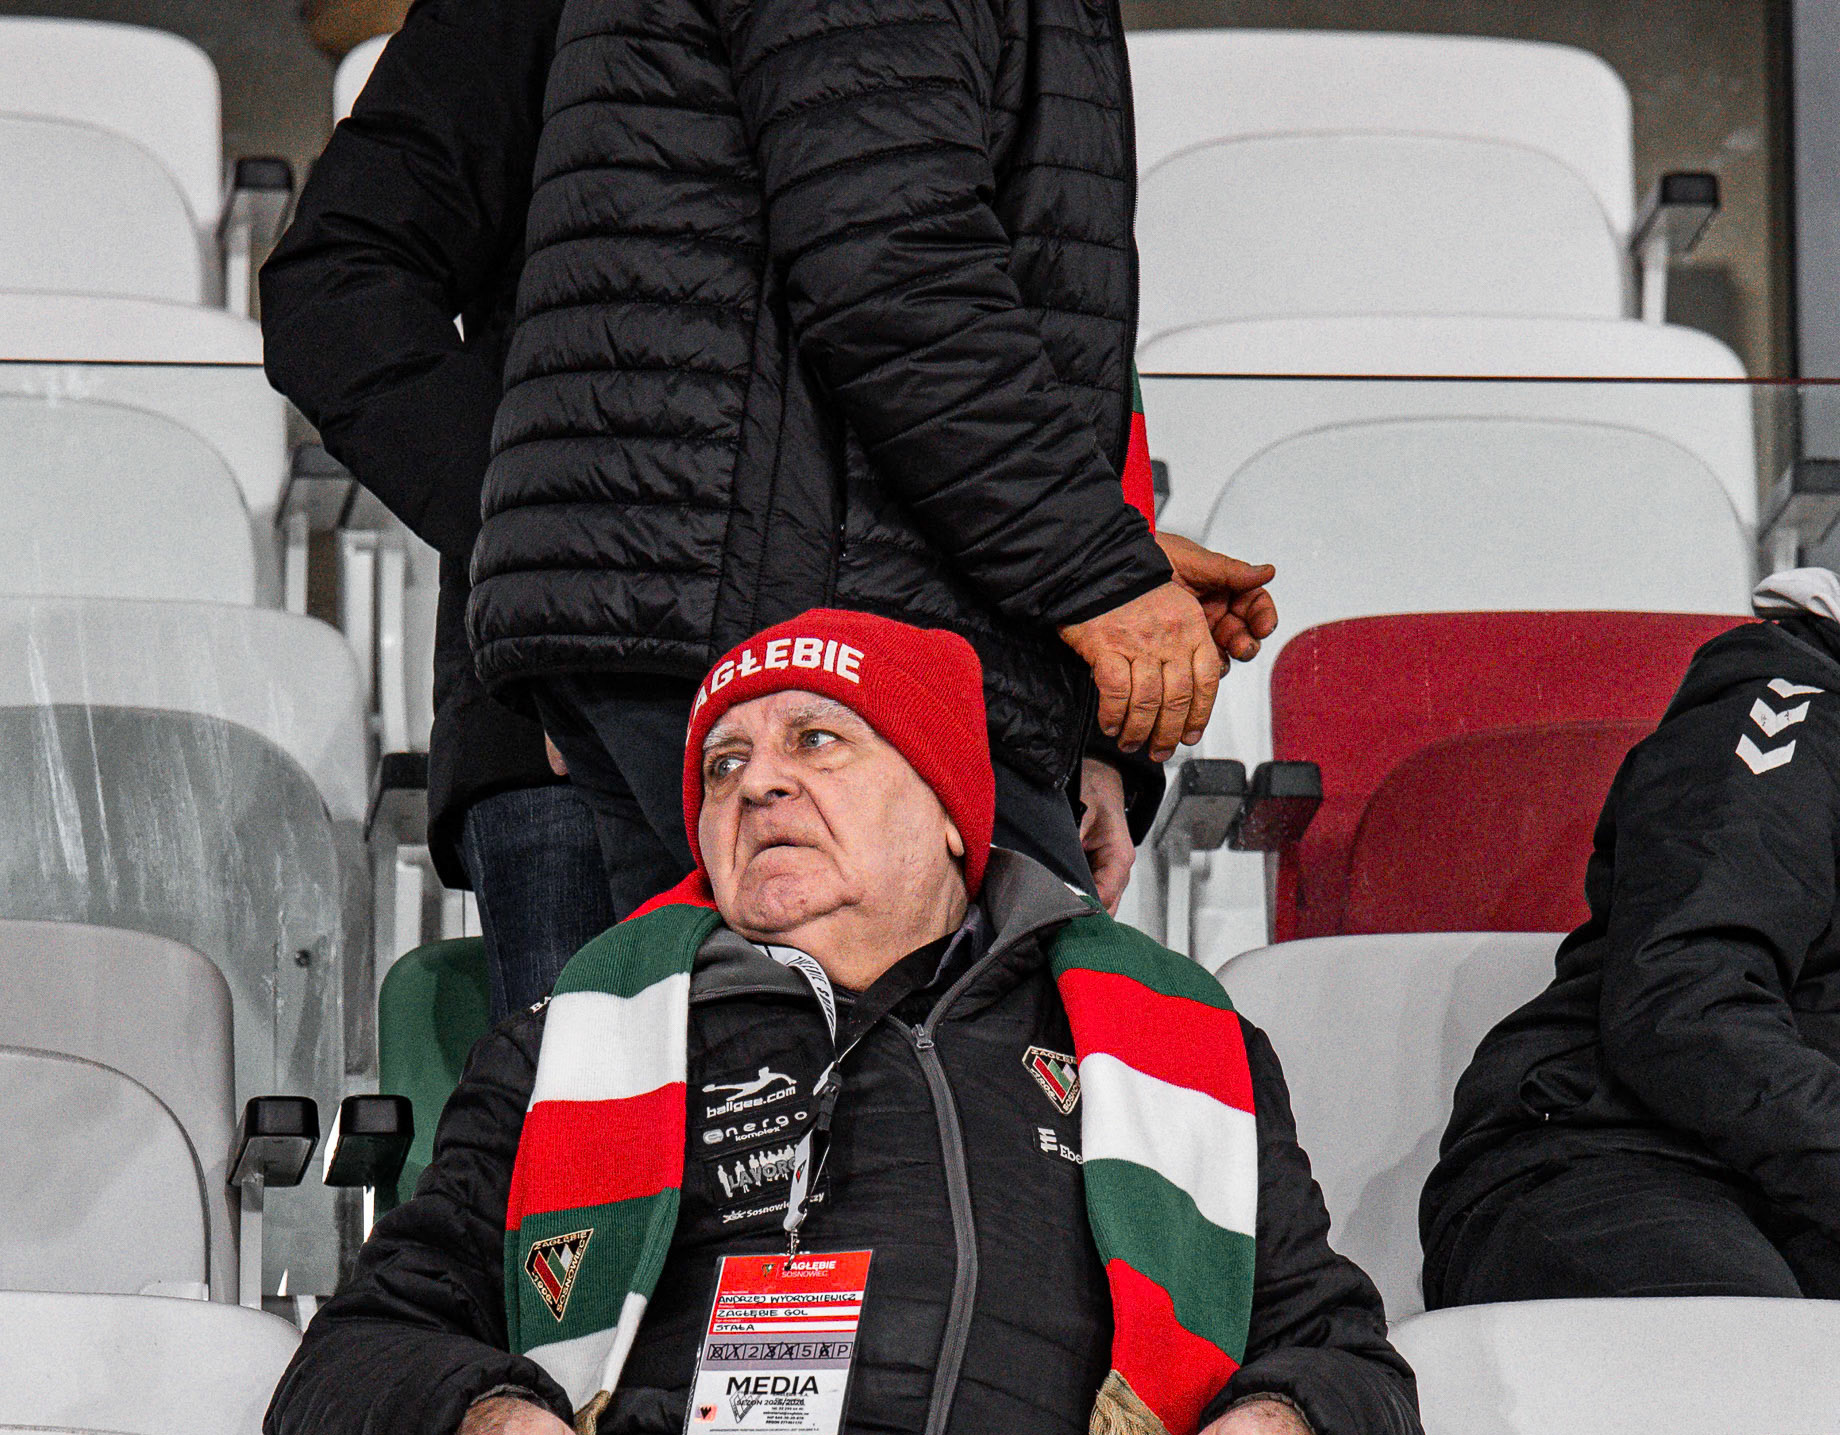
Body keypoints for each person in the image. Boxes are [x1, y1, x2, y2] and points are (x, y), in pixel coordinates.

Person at [268, 608, 1425, 1435]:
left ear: (950, 807)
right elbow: (345, 1366)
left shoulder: (1166, 1046)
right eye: (724, 764)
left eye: (817, 740)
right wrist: (474, 1415)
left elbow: (1352, 1367)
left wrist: (1291, 1426)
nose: (759, 783)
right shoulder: (574, 1047)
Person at [258, 0, 1277, 929]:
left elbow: (990, 325)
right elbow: (337, 289)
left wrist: (1082, 708)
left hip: (876, 669)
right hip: (639, 704)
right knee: (654, 1072)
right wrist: (577, 560)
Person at [1421, 569, 1840, 1306]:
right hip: (1607, 1154)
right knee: (1738, 1349)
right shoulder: (1784, 714)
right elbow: (1686, 1006)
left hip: (1796, 1193)